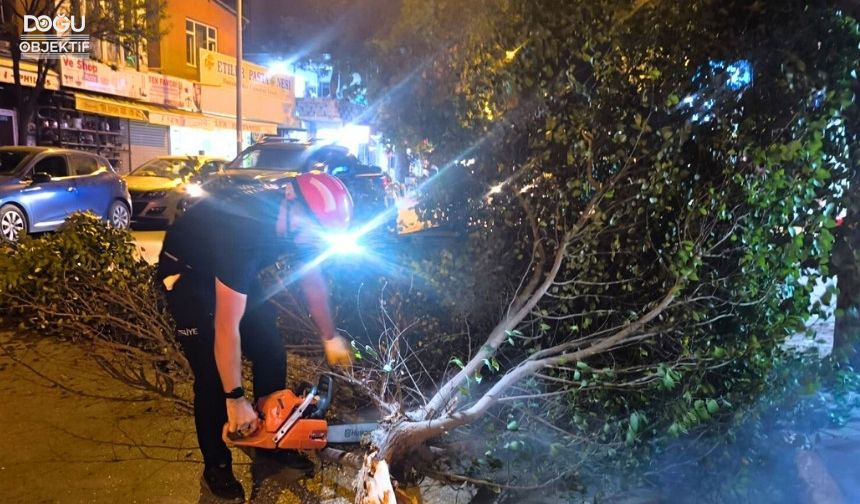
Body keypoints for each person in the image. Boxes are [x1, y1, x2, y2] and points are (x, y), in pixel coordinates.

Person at [157, 172, 353, 501]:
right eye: (316, 233)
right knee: (211, 377)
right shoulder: (242, 229)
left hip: (231, 269)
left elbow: (313, 280)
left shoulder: (301, 223)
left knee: (270, 349)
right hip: (188, 274)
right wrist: (235, 399)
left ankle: (270, 442)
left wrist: (329, 336)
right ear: (292, 205)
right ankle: (216, 467)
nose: (315, 241)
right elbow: (226, 326)